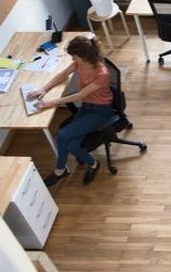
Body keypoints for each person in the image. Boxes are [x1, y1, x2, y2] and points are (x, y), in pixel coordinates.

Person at [27, 36, 114, 186]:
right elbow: (62, 75)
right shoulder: (78, 63)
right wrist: (43, 89)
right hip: (87, 107)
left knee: (63, 135)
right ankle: (92, 164)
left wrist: (50, 103)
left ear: (85, 56)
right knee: (71, 145)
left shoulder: (102, 73)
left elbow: (80, 95)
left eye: (74, 56)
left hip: (100, 111)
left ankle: (60, 171)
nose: (72, 59)